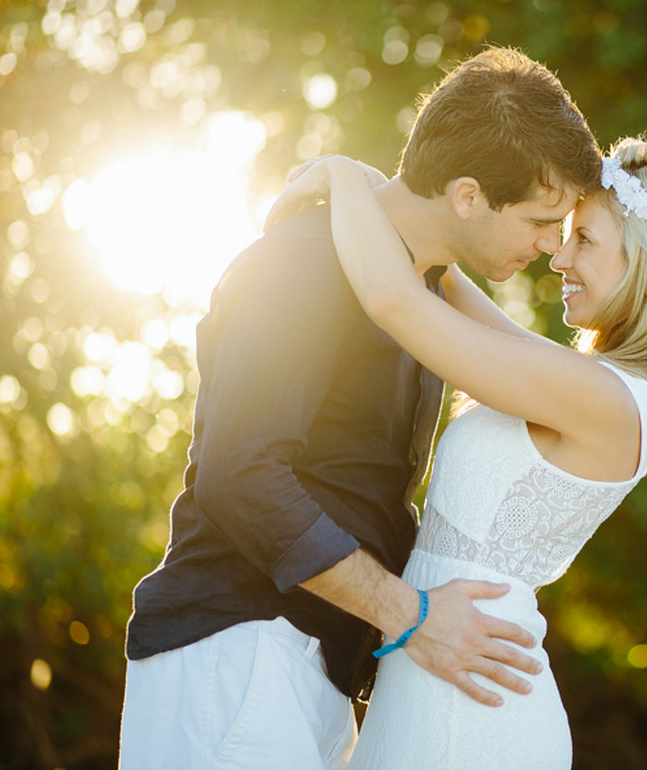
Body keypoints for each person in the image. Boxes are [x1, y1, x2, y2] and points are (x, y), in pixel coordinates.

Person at [118, 47, 601, 769]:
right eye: (540, 220)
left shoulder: (415, 294)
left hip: (316, 667)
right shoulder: (305, 261)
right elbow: (241, 474)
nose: (550, 245)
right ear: (467, 196)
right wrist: (413, 616)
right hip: (238, 652)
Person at [266, 136, 647, 768]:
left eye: (584, 240)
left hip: (468, 712)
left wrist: (341, 174)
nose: (559, 258)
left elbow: (392, 300)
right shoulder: (597, 387)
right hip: (447, 677)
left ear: (646, 265)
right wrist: (391, 192)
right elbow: (448, 282)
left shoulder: (606, 399)